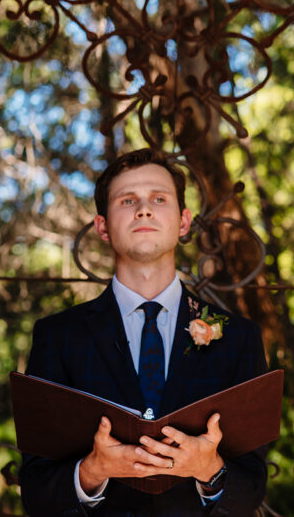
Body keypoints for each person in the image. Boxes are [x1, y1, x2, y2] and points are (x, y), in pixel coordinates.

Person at [18, 149, 268, 516]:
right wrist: (93, 471)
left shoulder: (238, 338)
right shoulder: (57, 338)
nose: (144, 209)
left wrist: (208, 469)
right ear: (102, 226)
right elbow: (37, 492)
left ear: (184, 222)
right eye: (128, 200)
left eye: (159, 198)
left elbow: (252, 490)